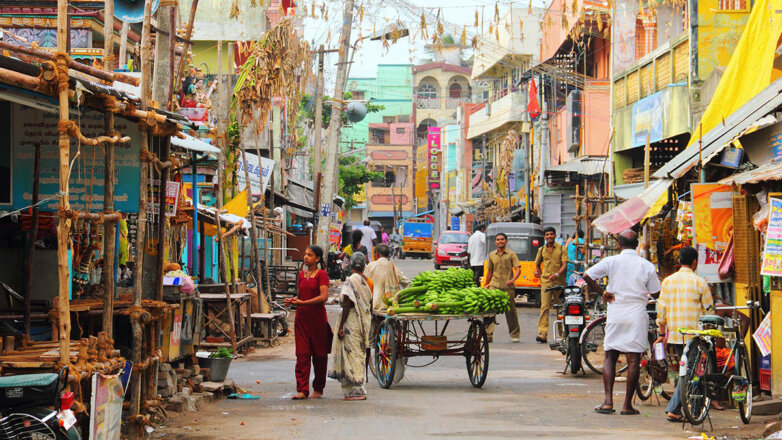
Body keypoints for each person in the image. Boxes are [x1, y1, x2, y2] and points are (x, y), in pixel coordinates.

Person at [583, 229, 661, 416]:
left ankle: (608, 401)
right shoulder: (646, 265)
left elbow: (587, 276)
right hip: (636, 313)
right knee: (633, 359)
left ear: (619, 244)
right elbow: (657, 293)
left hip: (616, 311)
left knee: (610, 355)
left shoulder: (612, 261)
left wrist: (602, 292)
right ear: (637, 244)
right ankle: (627, 405)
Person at [655, 246, 714, 422]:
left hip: (675, 335)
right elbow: (709, 311)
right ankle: (674, 408)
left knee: (686, 370)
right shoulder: (700, 282)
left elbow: (661, 311)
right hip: (694, 336)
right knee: (689, 371)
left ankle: (689, 408)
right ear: (694, 262)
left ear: (679, 261)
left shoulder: (667, 282)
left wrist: (661, 333)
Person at [285, 245, 331, 400]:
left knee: (319, 356)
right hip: (302, 319)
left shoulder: (322, 275)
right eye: (305, 254)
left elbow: (323, 297)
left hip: (317, 320)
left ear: (317, 259)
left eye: (309, 255)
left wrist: (303, 303)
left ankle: (318, 388)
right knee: (302, 355)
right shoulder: (301, 275)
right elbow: (300, 295)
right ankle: (302, 389)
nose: (305, 257)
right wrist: (293, 301)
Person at [329, 252, 374, 400]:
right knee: (359, 352)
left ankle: (358, 389)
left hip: (352, 321)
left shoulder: (351, 281)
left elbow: (347, 304)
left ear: (351, 264)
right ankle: (353, 387)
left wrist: (341, 326)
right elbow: (370, 304)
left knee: (352, 353)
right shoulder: (367, 282)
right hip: (364, 321)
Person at [484, 233, 522, 342]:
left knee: (510, 311)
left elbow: (518, 269)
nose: (500, 241)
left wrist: (513, 280)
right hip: (494, 285)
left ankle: (515, 334)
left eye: (502, 239)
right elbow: (489, 272)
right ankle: (488, 334)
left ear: (506, 241)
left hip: (507, 287)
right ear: (495, 242)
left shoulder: (511, 254)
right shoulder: (491, 255)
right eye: (498, 239)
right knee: (490, 309)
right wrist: (486, 285)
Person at [534, 227, 569, 344]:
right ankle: (543, 334)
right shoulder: (541, 250)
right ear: (544, 237)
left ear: (555, 236)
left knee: (560, 307)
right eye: (547, 235)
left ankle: (562, 334)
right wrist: (541, 277)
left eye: (551, 234)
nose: (549, 236)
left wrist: (557, 274)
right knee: (544, 307)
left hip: (559, 282)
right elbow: (537, 264)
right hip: (546, 282)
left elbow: (565, 264)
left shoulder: (562, 249)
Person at [365, 244, 408, 312]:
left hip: (375, 305)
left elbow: (363, 283)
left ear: (378, 254)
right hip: (392, 305)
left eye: (374, 254)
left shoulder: (371, 266)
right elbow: (407, 283)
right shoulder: (394, 268)